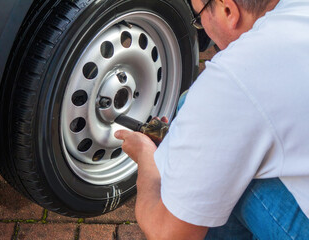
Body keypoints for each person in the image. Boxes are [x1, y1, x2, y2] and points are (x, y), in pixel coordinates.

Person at [115, 0, 309, 239]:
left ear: (227, 10)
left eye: (198, 18)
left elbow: (167, 234)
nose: (202, 27)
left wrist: (148, 159)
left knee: (219, 175)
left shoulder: (233, 76)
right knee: (190, 107)